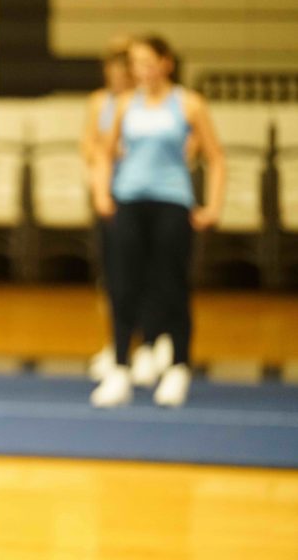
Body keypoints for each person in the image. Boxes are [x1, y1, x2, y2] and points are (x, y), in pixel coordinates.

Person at [90, 34, 226, 408]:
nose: (141, 70)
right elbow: (104, 152)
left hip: (172, 201)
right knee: (123, 285)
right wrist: (102, 192)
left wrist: (212, 205)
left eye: (148, 62)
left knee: (171, 284)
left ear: (166, 63)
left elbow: (216, 157)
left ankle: (178, 367)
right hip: (130, 200)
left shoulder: (189, 103)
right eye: (135, 63)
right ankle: (120, 365)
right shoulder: (122, 105)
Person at [81, 37, 163, 384]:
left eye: (121, 71)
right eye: (109, 72)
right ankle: (117, 341)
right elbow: (90, 146)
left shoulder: (144, 103)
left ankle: (150, 341)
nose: (114, 78)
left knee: (147, 274)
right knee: (113, 278)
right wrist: (101, 180)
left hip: (142, 196)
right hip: (109, 196)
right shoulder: (101, 102)